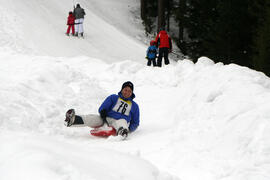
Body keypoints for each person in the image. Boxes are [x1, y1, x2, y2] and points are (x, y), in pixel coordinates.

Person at [64, 81, 140, 139]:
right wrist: (103, 112)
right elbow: (103, 107)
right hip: (106, 119)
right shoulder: (113, 97)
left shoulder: (134, 106)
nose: (127, 92)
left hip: (119, 123)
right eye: (125, 90)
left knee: (122, 122)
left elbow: (135, 122)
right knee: (93, 118)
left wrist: (129, 129)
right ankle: (73, 120)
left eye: (130, 91)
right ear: (122, 89)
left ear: (132, 93)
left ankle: (122, 132)